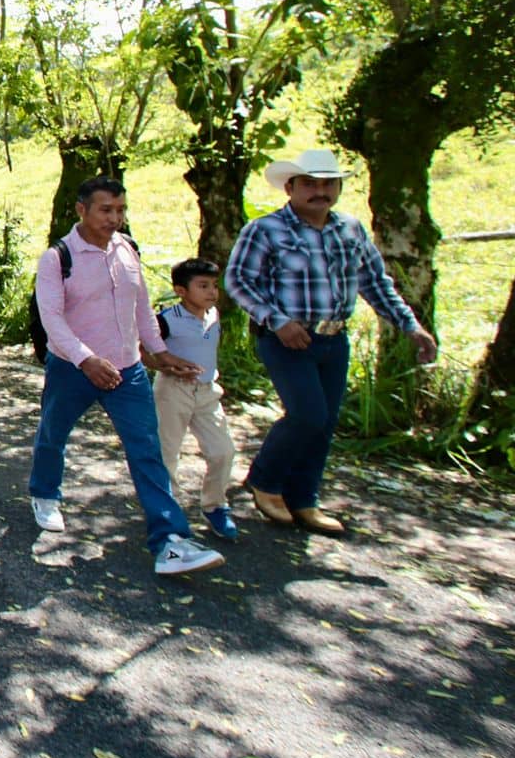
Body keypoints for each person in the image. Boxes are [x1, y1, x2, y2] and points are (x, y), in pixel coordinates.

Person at [224, 148, 437, 535]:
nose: (319, 191)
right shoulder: (266, 229)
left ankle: (304, 500)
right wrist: (278, 321)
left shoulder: (350, 230)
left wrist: (411, 326)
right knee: (307, 414)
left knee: (324, 424)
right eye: (310, 184)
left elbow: (376, 283)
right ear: (290, 187)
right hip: (285, 338)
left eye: (328, 184)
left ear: (338, 187)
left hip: (333, 338)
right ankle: (266, 482)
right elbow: (238, 281)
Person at [28, 175, 226, 577]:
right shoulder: (58, 258)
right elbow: (52, 320)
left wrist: (160, 352)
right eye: (106, 210)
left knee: (146, 450)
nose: (114, 218)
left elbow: (141, 307)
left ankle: (170, 540)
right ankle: (45, 493)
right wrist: (86, 360)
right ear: (82, 209)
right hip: (72, 369)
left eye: (120, 210)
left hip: (127, 371)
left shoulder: (127, 249)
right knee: (53, 433)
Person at [149, 258, 238, 541]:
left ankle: (215, 505)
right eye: (203, 286)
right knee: (167, 453)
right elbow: (142, 348)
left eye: (214, 286)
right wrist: (165, 365)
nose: (211, 292)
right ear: (181, 290)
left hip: (208, 392)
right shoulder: (166, 319)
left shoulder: (213, 315)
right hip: (173, 391)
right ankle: (167, 509)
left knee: (223, 450)